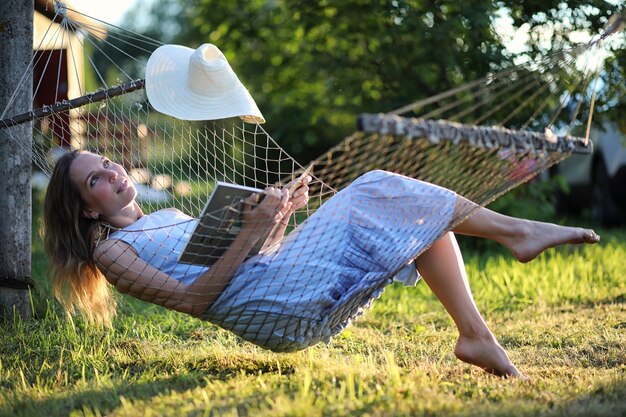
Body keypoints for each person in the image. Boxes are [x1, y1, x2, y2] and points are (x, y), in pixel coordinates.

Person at [42, 149, 600, 379]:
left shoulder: (168, 214)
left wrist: (279, 217)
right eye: (96, 180)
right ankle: (520, 233)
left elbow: (254, 255)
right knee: (378, 188)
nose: (114, 176)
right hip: (273, 309)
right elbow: (195, 301)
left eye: (110, 164)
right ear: (85, 206)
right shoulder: (111, 253)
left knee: (409, 213)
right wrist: (255, 235)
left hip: (276, 280)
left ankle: (476, 336)